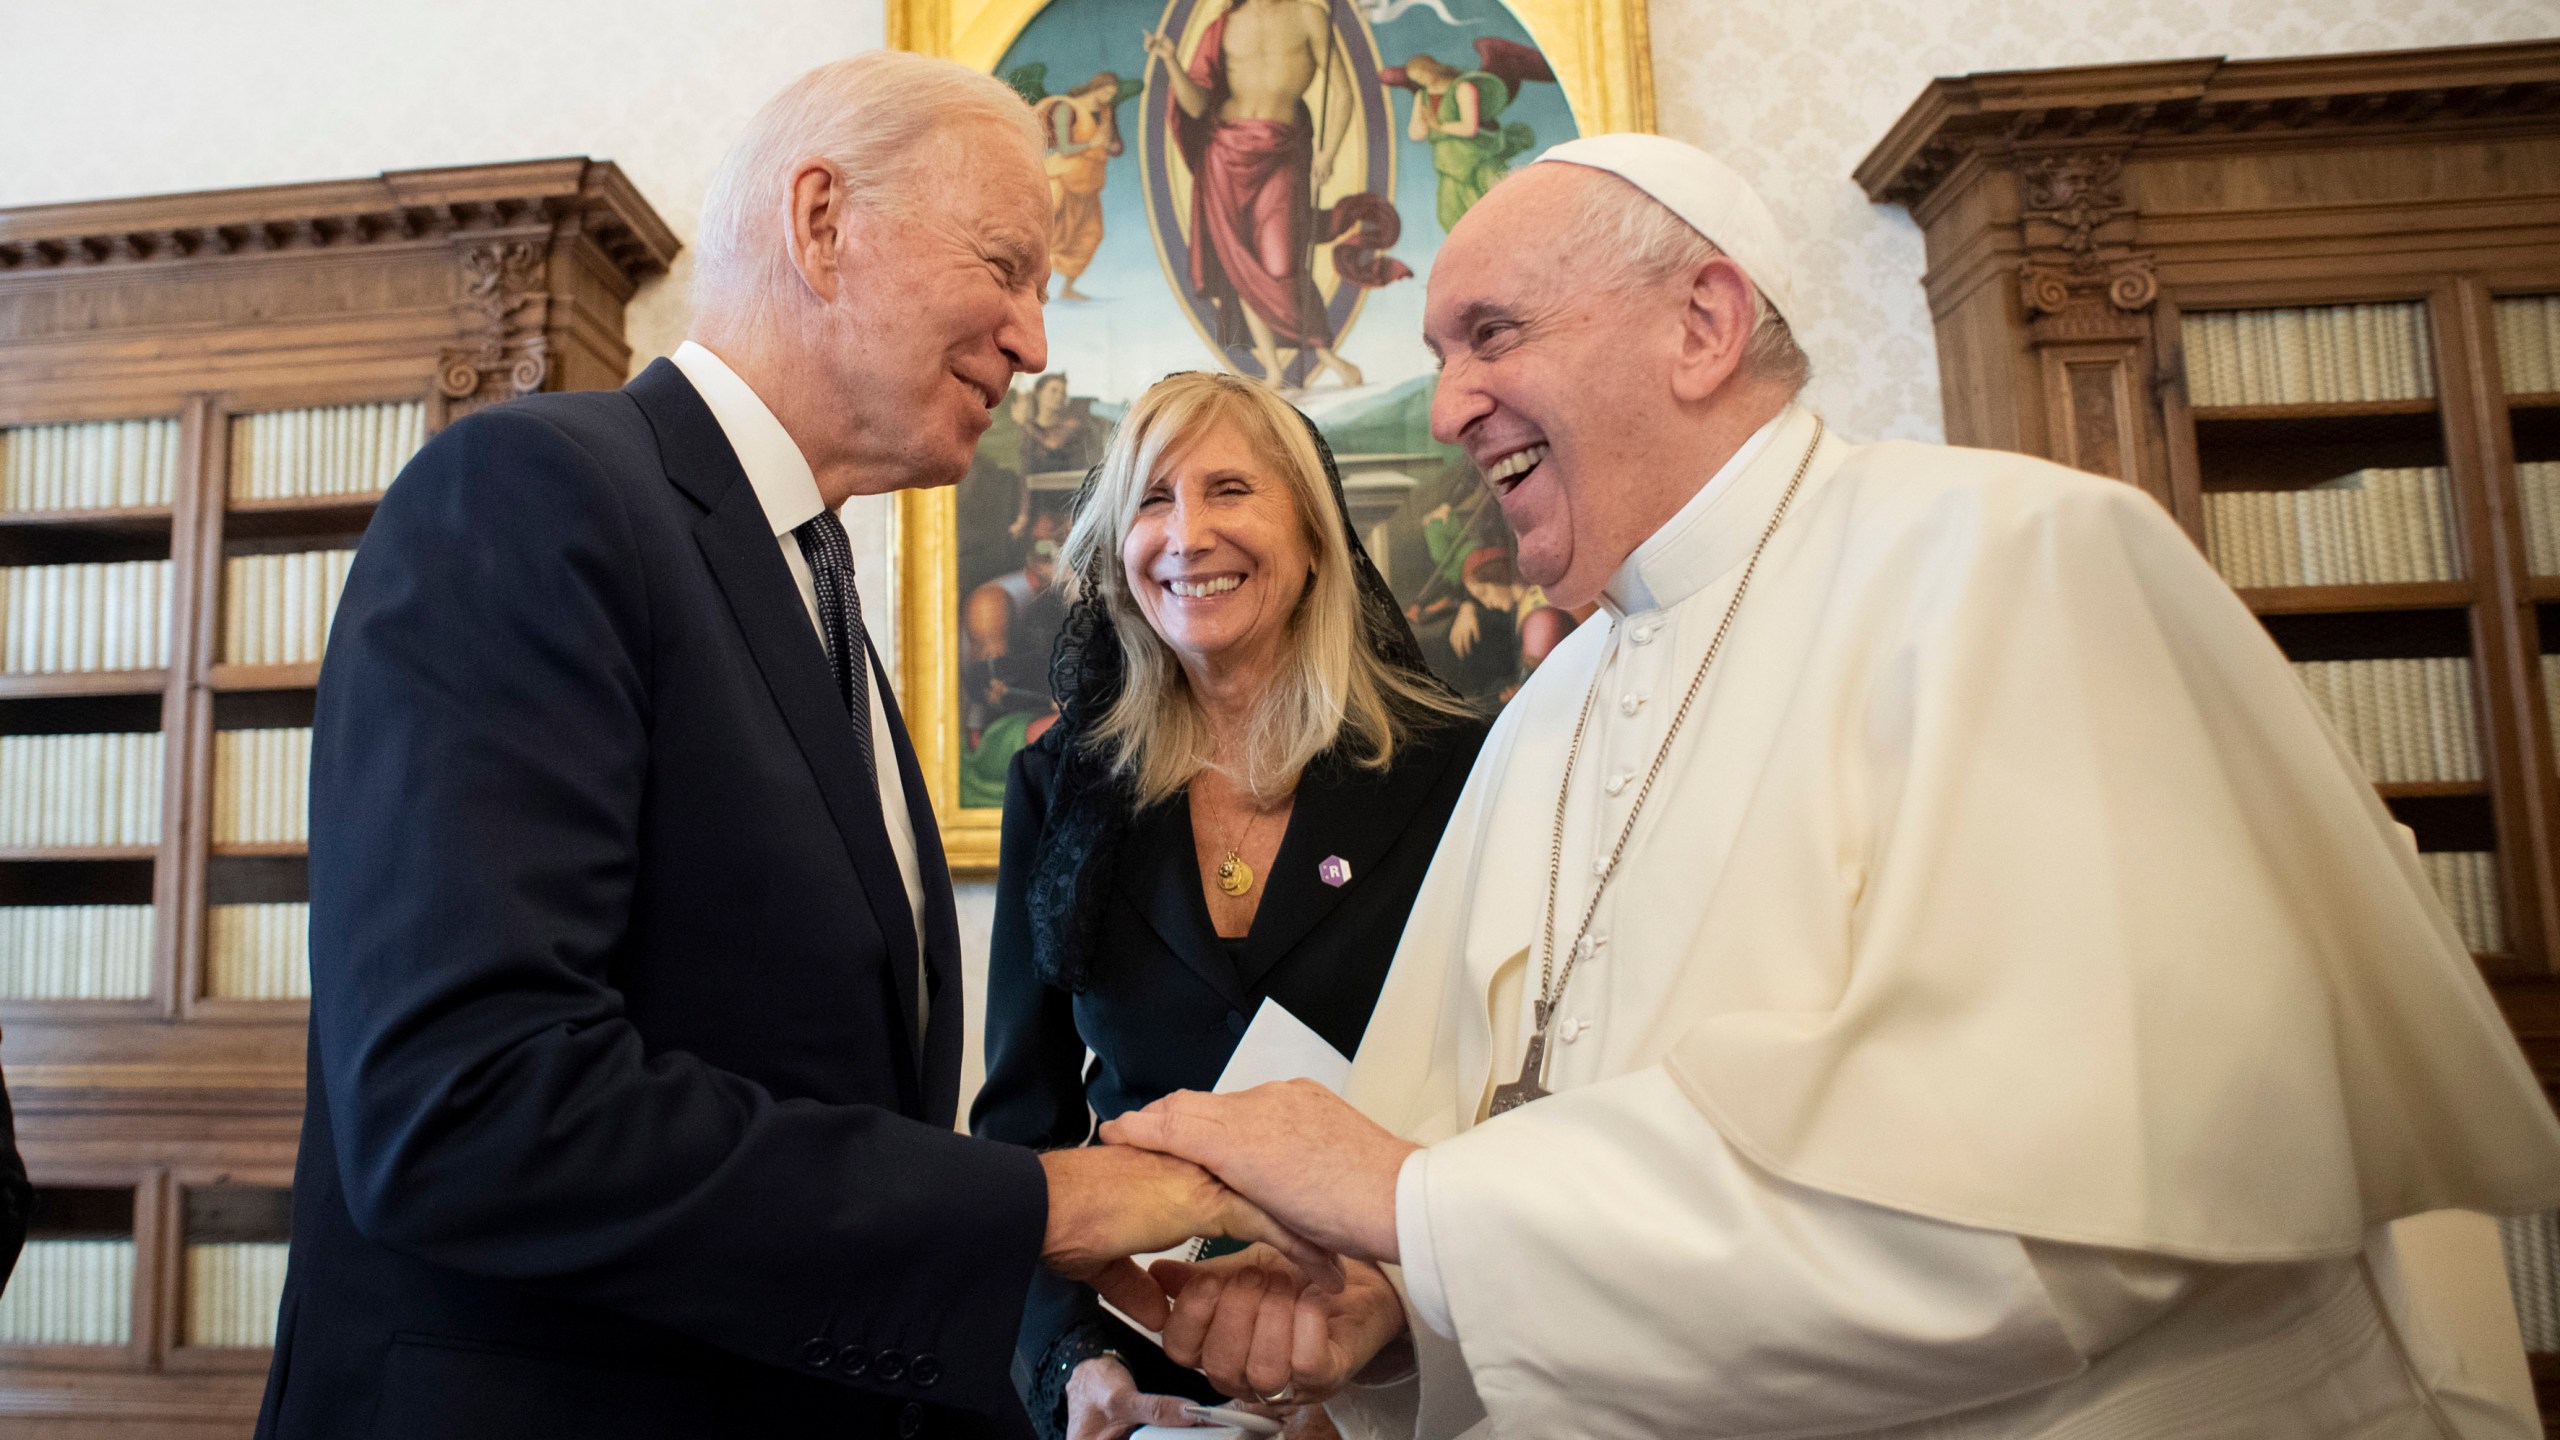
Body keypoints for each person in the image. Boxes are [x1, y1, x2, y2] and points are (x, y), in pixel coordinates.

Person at [1102, 134, 2560, 1439]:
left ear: (1704, 323)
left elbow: (2048, 1219)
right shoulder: (1545, 714)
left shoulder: (2013, 563)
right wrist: (1402, 1313)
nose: (1451, 405)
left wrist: (1419, 1210)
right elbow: (1510, 1166)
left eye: (1493, 334)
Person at [257, 53, 1322, 1440]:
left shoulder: (807, 595)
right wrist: (1044, 1201)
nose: (1035, 340)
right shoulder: (535, 495)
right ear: (823, 223)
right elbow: (468, 1109)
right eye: (1006, 263)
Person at [972, 371, 1485, 1440]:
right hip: (1147, 1383)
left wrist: (1388, 1333)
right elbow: (1023, 1127)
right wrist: (1075, 1365)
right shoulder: (1058, 787)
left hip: (1401, 1361)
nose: (1186, 534)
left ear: (1312, 538)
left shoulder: (1461, 770)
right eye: (1152, 500)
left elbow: (1501, 1099)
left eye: (1230, 491)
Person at [1145, 1, 1406, 390]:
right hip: (1224, 152)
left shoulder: (1308, 14)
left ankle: (1322, 351)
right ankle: (1272, 370)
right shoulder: (1223, 26)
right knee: (1240, 264)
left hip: (1283, 149)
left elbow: (1341, 90)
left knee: (1280, 259)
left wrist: (1329, 151)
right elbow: (1197, 105)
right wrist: (1171, 62)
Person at [1035, 73, 1133, 302]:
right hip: (1061, 177)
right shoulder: (1067, 109)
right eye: (1105, 92)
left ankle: (1067, 288)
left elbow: (1115, 147)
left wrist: (1111, 143)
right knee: (1044, 230)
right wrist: (1092, 143)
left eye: (1112, 95)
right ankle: (1030, 287)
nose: (1108, 97)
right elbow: (1065, 147)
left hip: (1088, 183)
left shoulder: (1106, 113)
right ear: (1095, 87)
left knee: (1091, 235)